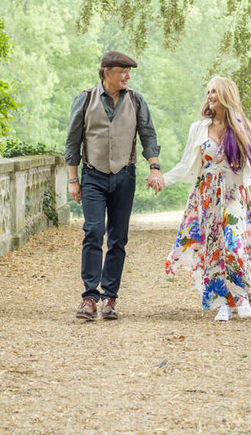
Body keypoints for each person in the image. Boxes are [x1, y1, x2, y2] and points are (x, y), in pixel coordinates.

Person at [65, 50, 164, 321]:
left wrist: (154, 167)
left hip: (125, 176)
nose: (127, 76)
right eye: (122, 72)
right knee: (93, 232)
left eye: (128, 72)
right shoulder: (85, 100)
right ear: (106, 72)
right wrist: (73, 180)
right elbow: (72, 142)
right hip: (93, 176)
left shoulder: (135, 100)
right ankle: (89, 297)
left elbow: (148, 135)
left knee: (118, 238)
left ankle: (110, 297)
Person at [162, 76, 251, 321]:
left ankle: (240, 296)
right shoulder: (198, 128)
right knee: (214, 250)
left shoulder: (243, 127)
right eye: (208, 92)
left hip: (233, 195)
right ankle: (222, 304)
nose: (210, 96)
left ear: (226, 95)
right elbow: (186, 163)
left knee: (234, 246)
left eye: (215, 92)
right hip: (207, 197)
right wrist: (164, 180)